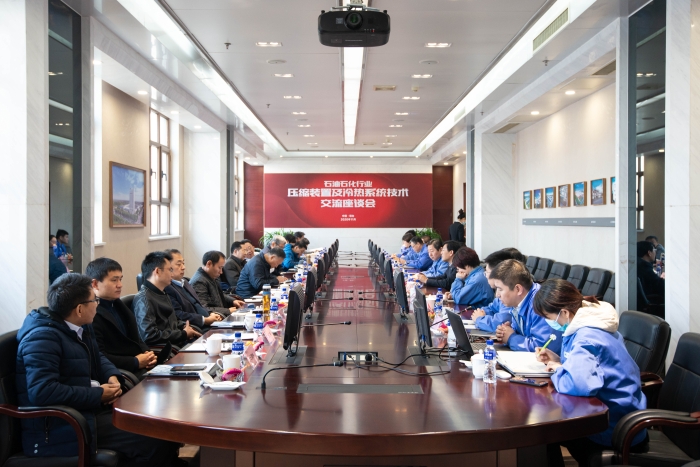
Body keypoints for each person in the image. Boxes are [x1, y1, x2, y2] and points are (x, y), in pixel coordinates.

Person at [15, 273, 180, 465]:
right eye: (94, 300)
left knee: (162, 421)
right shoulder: (42, 339)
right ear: (79, 309)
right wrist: (98, 394)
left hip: (87, 411)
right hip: (61, 427)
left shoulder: (79, 327)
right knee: (153, 436)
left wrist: (111, 375)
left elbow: (98, 357)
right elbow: (42, 391)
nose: (97, 304)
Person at [534, 279, 647, 467]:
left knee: (543, 432)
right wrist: (560, 361)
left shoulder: (586, 336)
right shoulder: (594, 320)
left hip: (613, 426)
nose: (549, 322)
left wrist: (559, 371)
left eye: (549, 317)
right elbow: (593, 366)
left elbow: (582, 384)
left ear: (564, 312)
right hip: (623, 414)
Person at [86, 258, 158, 380]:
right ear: (95, 284)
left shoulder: (118, 305)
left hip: (139, 366)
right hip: (120, 373)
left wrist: (147, 354)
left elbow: (136, 339)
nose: (120, 285)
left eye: (120, 279)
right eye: (114, 280)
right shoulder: (91, 314)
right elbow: (99, 356)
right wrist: (135, 362)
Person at [488, 259, 563, 353]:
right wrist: (506, 331)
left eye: (500, 289)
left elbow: (543, 348)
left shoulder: (541, 304)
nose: (497, 295)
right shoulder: (517, 302)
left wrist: (511, 338)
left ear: (518, 289)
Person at [133, 251, 201, 347]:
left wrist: (184, 326)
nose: (172, 274)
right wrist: (183, 334)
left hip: (177, 343)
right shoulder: (144, 299)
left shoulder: (162, 292)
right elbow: (149, 335)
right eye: (170, 270)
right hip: (167, 349)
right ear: (157, 271)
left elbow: (173, 321)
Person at [165, 249, 224, 330]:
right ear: (167, 267)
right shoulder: (168, 288)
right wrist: (204, 320)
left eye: (183, 263)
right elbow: (178, 314)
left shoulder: (185, 282)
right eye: (179, 264)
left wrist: (210, 314)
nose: (183, 267)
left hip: (207, 322)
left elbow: (198, 305)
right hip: (196, 328)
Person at [471, 248, 526, 332]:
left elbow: (500, 322)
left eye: (487, 272)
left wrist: (480, 319)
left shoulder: (511, 294)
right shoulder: (504, 291)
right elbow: (492, 308)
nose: (485, 275)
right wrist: (482, 312)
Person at [190, 251, 242, 316]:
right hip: (214, 319)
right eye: (219, 268)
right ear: (209, 264)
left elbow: (219, 294)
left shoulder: (210, 276)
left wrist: (233, 301)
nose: (221, 272)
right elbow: (203, 309)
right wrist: (228, 311)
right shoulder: (199, 282)